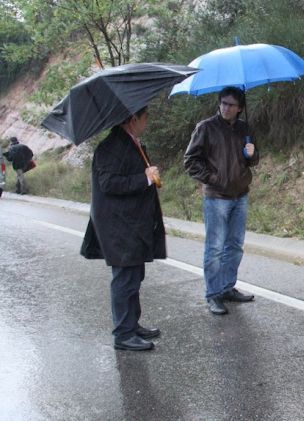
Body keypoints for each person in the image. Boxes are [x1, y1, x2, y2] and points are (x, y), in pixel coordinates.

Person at [80, 107, 166, 351]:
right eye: (145, 117)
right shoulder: (111, 147)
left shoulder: (131, 142)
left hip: (132, 222)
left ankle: (132, 324)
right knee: (125, 279)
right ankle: (123, 334)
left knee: (134, 276)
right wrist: (145, 178)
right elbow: (109, 183)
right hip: (118, 225)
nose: (147, 121)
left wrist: (148, 176)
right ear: (133, 119)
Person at [184, 86, 259, 315]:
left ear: (240, 108)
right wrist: (213, 178)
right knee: (215, 248)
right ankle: (213, 294)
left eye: (231, 105)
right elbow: (190, 161)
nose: (226, 108)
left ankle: (227, 287)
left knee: (235, 246)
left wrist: (251, 153)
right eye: (223, 103)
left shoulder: (244, 128)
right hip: (216, 197)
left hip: (240, 194)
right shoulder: (205, 128)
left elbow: (254, 160)